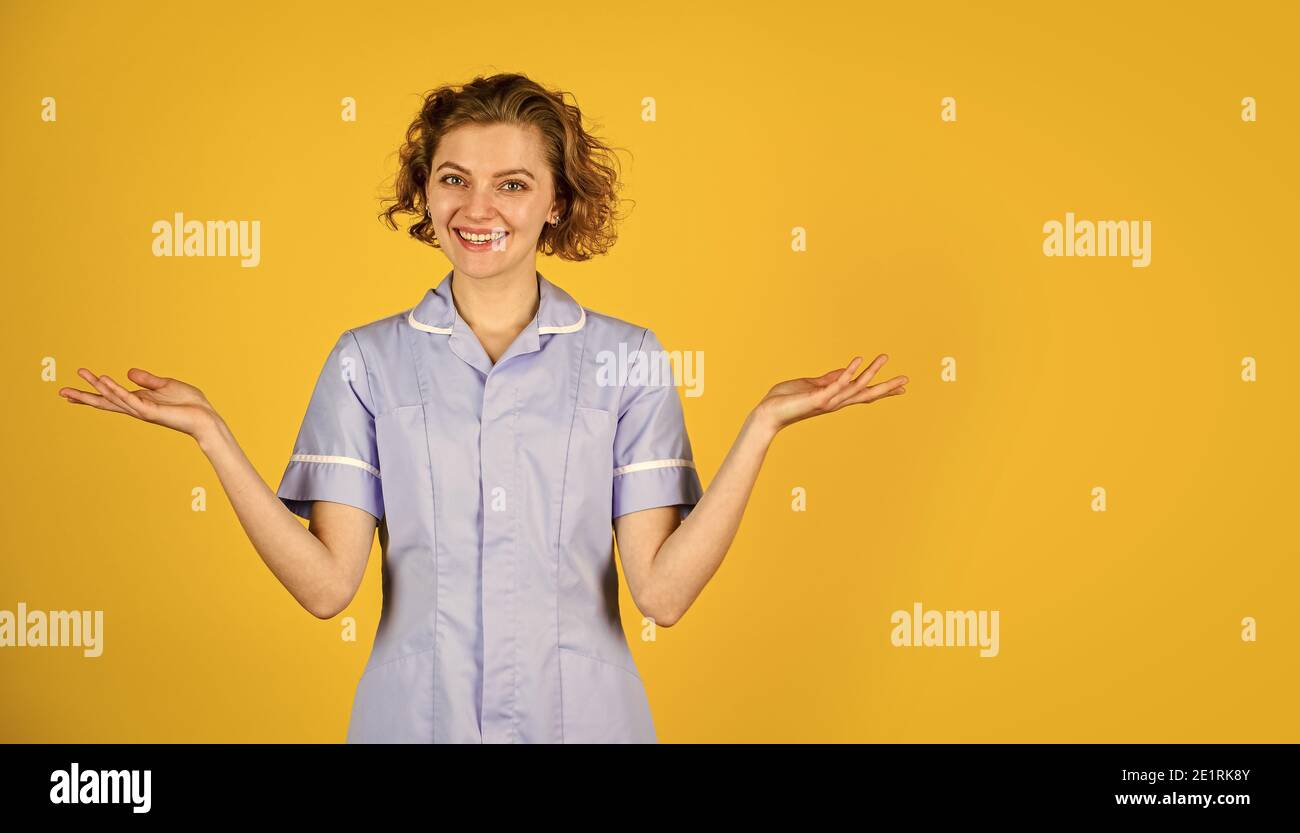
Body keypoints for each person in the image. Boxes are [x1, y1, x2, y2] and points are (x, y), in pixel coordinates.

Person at [57, 72, 908, 743]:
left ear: (556, 201)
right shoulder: (367, 361)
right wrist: (212, 434)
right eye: (454, 178)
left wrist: (760, 427)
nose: (479, 208)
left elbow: (663, 594)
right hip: (411, 724)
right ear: (425, 194)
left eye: (512, 183)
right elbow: (325, 587)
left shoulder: (627, 357)